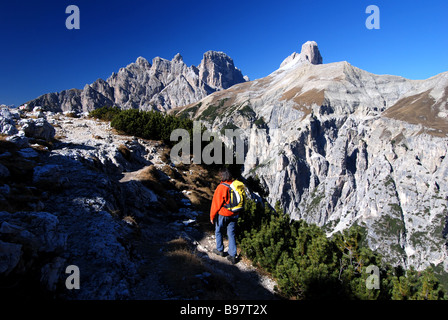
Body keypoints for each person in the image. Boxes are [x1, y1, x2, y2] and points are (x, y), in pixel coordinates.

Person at [210, 168, 239, 264]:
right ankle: (233, 255)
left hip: (224, 213)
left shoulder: (221, 187)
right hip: (235, 213)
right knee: (231, 233)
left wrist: (212, 216)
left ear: (222, 176)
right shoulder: (236, 185)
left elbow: (216, 203)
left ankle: (220, 250)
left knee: (218, 231)